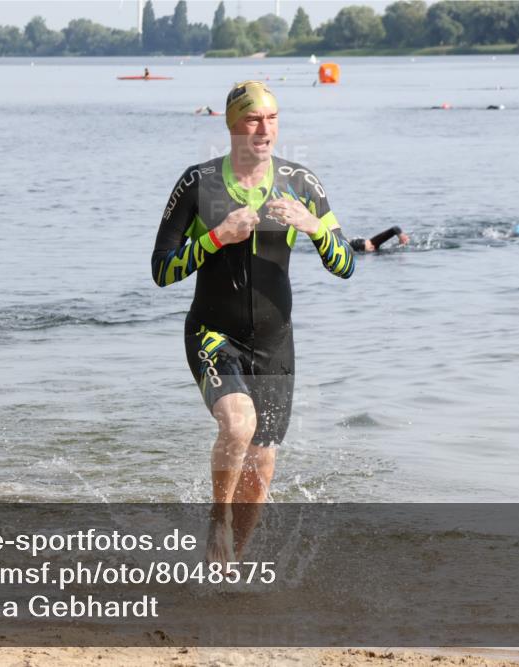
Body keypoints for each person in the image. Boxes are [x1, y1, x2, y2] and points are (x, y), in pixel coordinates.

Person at [151, 80, 354, 563]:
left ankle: (230, 568)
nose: (265, 130)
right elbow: (161, 270)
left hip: (275, 341)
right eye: (253, 119)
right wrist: (218, 236)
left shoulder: (301, 182)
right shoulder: (199, 183)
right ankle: (216, 520)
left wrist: (313, 228)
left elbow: (346, 263)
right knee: (238, 425)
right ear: (232, 125)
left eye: (272, 118)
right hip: (213, 332)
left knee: (261, 466)